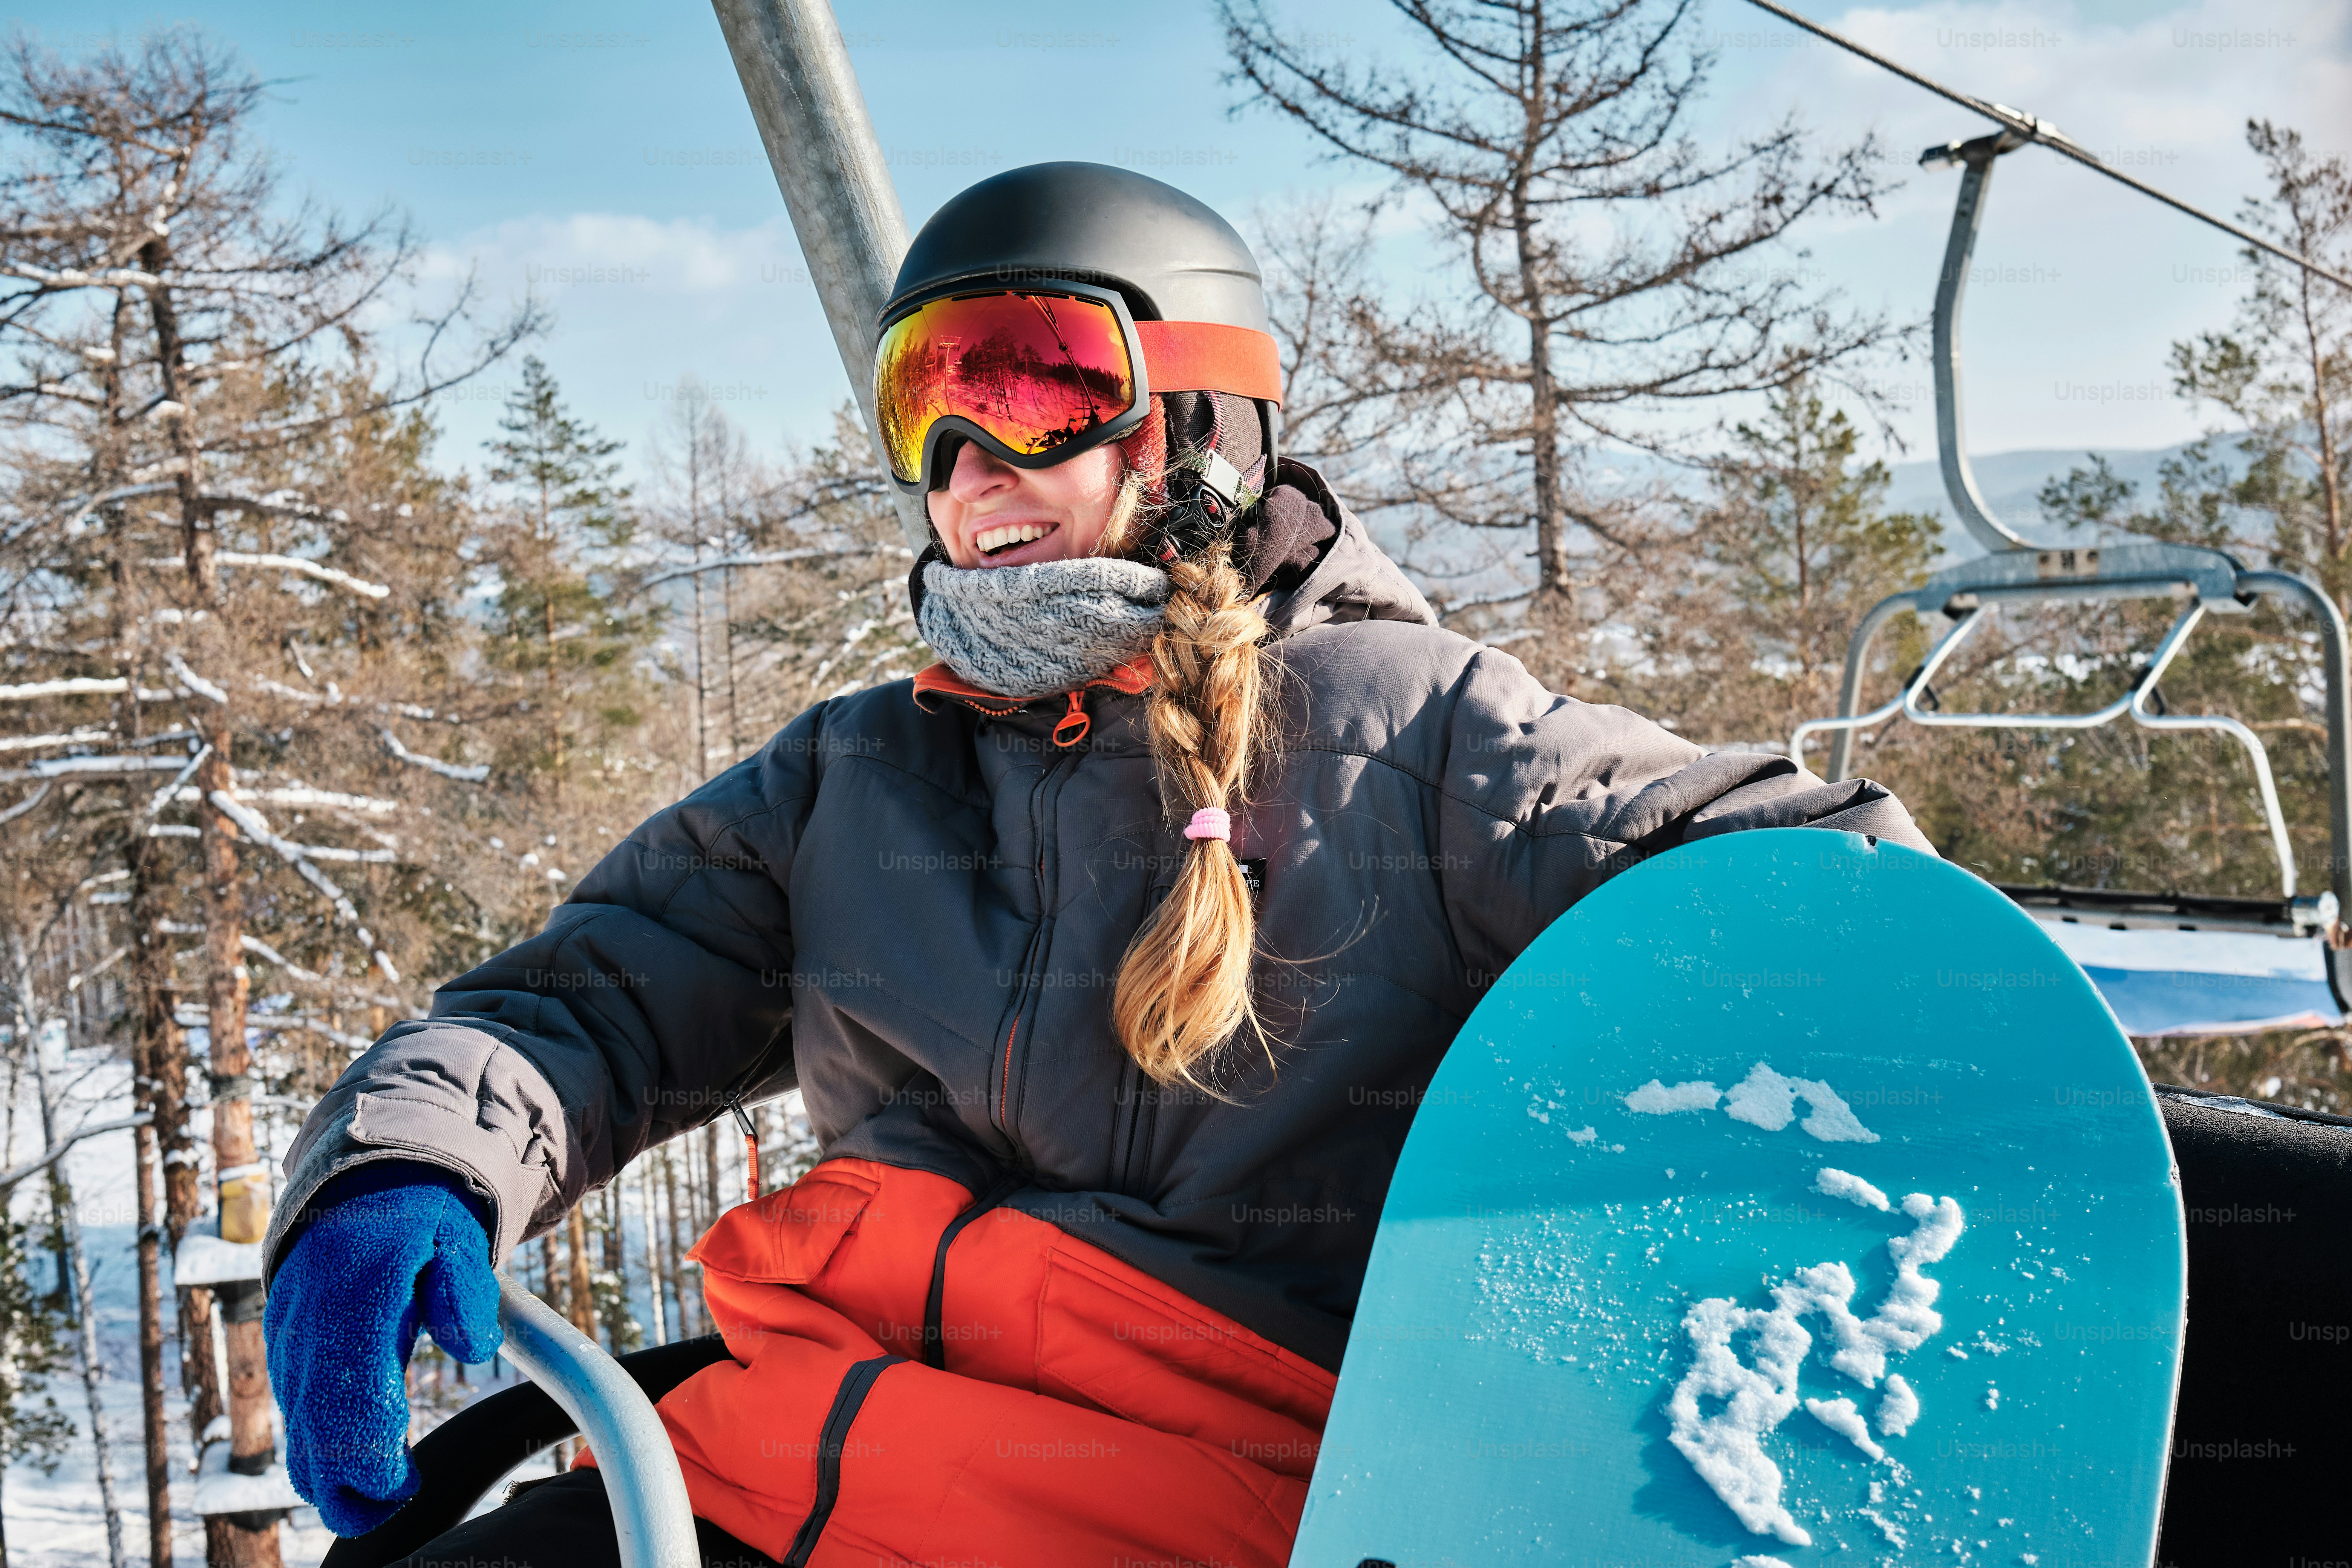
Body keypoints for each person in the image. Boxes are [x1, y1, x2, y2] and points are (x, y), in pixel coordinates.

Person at [262, 162, 1930, 1568]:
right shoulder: (857, 769)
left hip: (1210, 1490)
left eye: (1031, 381)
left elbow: (1783, 864)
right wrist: (405, 1164)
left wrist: (1852, 982)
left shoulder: (1405, 729)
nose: (969, 465)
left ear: (1195, 424)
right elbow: (590, 1000)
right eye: (928, 401)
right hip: (819, 1460)